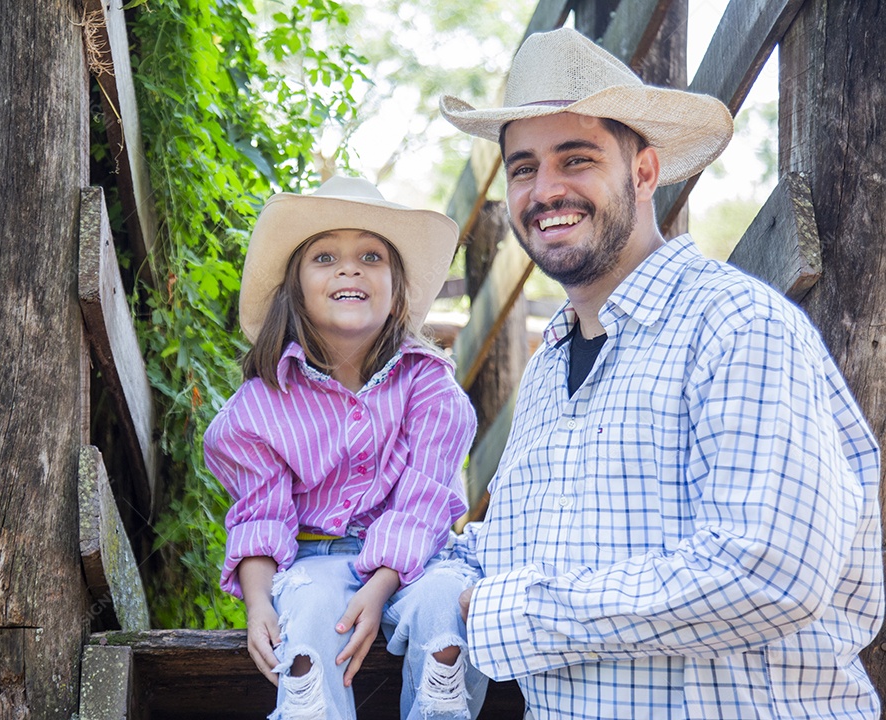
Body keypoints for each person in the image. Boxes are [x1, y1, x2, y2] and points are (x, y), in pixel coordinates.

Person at [439, 27, 884, 719]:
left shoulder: (738, 327)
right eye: (523, 167)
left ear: (643, 173)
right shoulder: (549, 369)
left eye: (576, 158)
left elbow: (767, 573)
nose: (545, 189)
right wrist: (403, 573)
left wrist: (509, 613)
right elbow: (512, 546)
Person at [204, 175, 489, 720]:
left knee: (445, 607)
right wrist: (259, 602)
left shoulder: (429, 386)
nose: (349, 268)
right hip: (315, 557)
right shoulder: (262, 404)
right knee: (308, 615)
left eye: (371, 256)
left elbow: (424, 501)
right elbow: (260, 517)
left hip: (422, 557)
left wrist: (380, 587)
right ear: (296, 289)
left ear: (396, 288)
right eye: (326, 256)